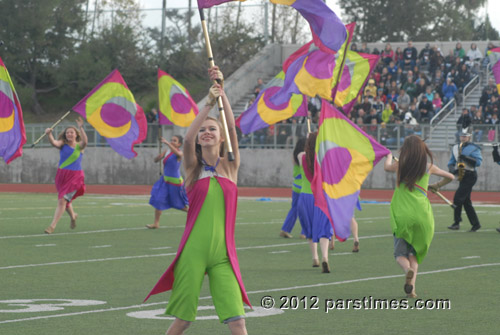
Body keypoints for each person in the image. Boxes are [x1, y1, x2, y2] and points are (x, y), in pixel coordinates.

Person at [144, 67, 250, 335]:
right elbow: (189, 138)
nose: (206, 132)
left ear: (221, 135)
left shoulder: (231, 168)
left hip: (223, 255)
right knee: (183, 320)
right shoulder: (193, 169)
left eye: (212, 129)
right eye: (204, 130)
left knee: (237, 320)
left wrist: (222, 90)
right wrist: (208, 104)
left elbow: (233, 129)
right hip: (193, 252)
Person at [384, 135, 454, 298]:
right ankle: (412, 290)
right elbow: (450, 177)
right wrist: (436, 186)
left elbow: (387, 167)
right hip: (422, 215)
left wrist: (388, 156)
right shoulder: (429, 166)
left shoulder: (400, 165)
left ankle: (407, 270)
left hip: (403, 214)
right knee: (414, 255)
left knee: (400, 255)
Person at [44, 117, 88, 234]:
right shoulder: (62, 144)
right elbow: (54, 142)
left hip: (75, 177)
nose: (69, 134)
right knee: (65, 200)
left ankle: (52, 226)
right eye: (67, 132)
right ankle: (73, 216)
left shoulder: (80, 146)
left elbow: (85, 141)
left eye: (71, 132)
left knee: (62, 200)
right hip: (61, 176)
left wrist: (81, 127)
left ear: (76, 134)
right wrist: (49, 134)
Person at [297, 131, 333, 273]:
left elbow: (302, 153)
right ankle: (325, 257)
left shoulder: (301, 157)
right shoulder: (324, 159)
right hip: (321, 196)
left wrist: (309, 139)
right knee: (324, 229)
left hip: (305, 197)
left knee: (309, 230)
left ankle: (315, 258)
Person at [146, 135, 189, 229]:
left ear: (179, 144)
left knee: (178, 204)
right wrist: (158, 158)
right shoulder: (167, 151)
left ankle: (193, 214)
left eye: (175, 140)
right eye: (171, 140)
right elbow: (156, 160)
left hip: (175, 183)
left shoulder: (179, 153)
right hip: (165, 181)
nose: (172, 141)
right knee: (158, 200)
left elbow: (179, 155)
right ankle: (156, 223)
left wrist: (167, 143)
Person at [447, 128, 482, 232]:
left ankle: (456, 222)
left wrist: (465, 157)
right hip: (462, 175)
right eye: (462, 136)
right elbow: (451, 162)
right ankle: (476, 224)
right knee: (466, 202)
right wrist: (453, 170)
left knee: (458, 198)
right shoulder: (455, 148)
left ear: (469, 137)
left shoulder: (474, 148)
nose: (463, 138)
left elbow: (478, 163)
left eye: (465, 136)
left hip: (470, 175)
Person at [280, 138, 306, 238]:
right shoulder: (304, 156)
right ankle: (304, 232)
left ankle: (285, 229)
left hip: (295, 186)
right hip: (304, 186)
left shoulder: (295, 156)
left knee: (294, 208)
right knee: (306, 210)